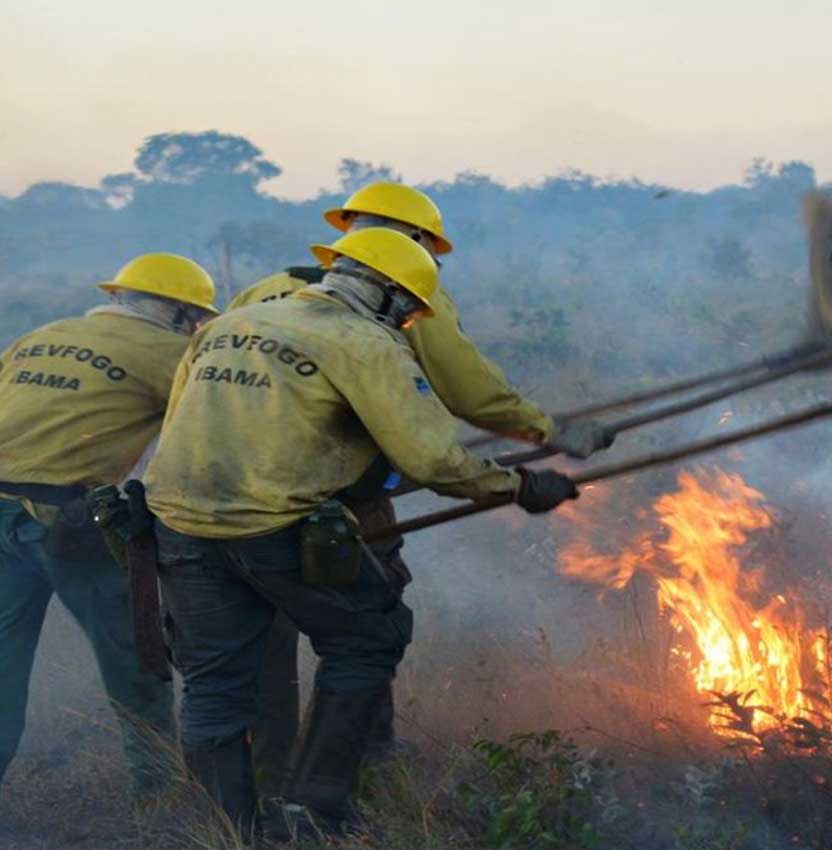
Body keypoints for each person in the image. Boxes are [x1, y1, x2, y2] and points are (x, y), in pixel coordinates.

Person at [143, 227, 580, 838]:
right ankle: (313, 808)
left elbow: (189, 420)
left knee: (215, 683)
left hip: (178, 523)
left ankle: (230, 831)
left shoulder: (226, 326)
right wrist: (519, 488)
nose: (405, 323)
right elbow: (434, 461)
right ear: (388, 297)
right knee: (368, 639)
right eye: (406, 311)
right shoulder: (365, 342)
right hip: (277, 525)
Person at [226, 182, 613, 790]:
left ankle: (266, 783)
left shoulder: (264, 290)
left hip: (236, 496)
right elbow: (465, 388)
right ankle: (364, 762)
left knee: (264, 641)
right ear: (410, 242)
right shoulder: (397, 292)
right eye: (428, 251)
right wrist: (549, 432)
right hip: (336, 496)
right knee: (367, 624)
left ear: (346, 230)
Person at [0, 254, 219, 839]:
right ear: (181, 312)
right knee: (136, 661)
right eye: (195, 319)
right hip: (67, 524)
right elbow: (205, 437)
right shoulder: (173, 354)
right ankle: (159, 804)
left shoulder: (38, 337)